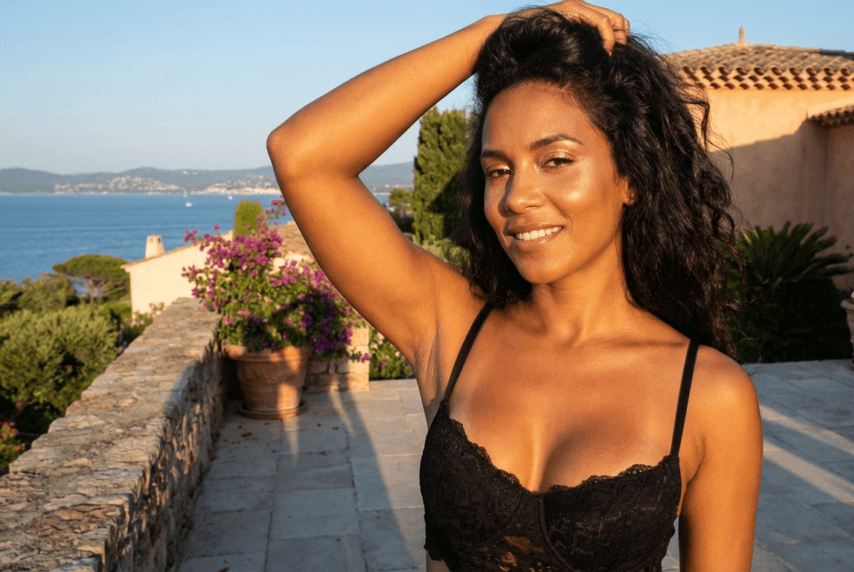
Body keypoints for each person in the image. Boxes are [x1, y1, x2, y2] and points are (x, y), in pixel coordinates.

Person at [267, 1, 762, 569]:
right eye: (497, 169)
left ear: (630, 178)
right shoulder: (452, 328)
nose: (516, 198)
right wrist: (494, 35)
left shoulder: (707, 395)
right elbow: (302, 155)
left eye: (554, 160)